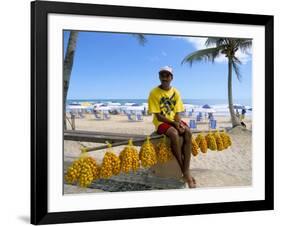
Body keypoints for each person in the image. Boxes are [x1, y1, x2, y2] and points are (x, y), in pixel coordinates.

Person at [148, 66, 196, 188]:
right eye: (162, 75)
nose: (164, 77)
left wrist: (178, 123)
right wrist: (174, 125)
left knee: (188, 132)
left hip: (174, 120)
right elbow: (158, 116)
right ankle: (185, 172)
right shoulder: (154, 93)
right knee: (174, 134)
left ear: (171, 78)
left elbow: (178, 113)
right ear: (159, 77)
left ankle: (186, 170)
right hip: (161, 123)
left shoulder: (176, 92)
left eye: (167, 75)